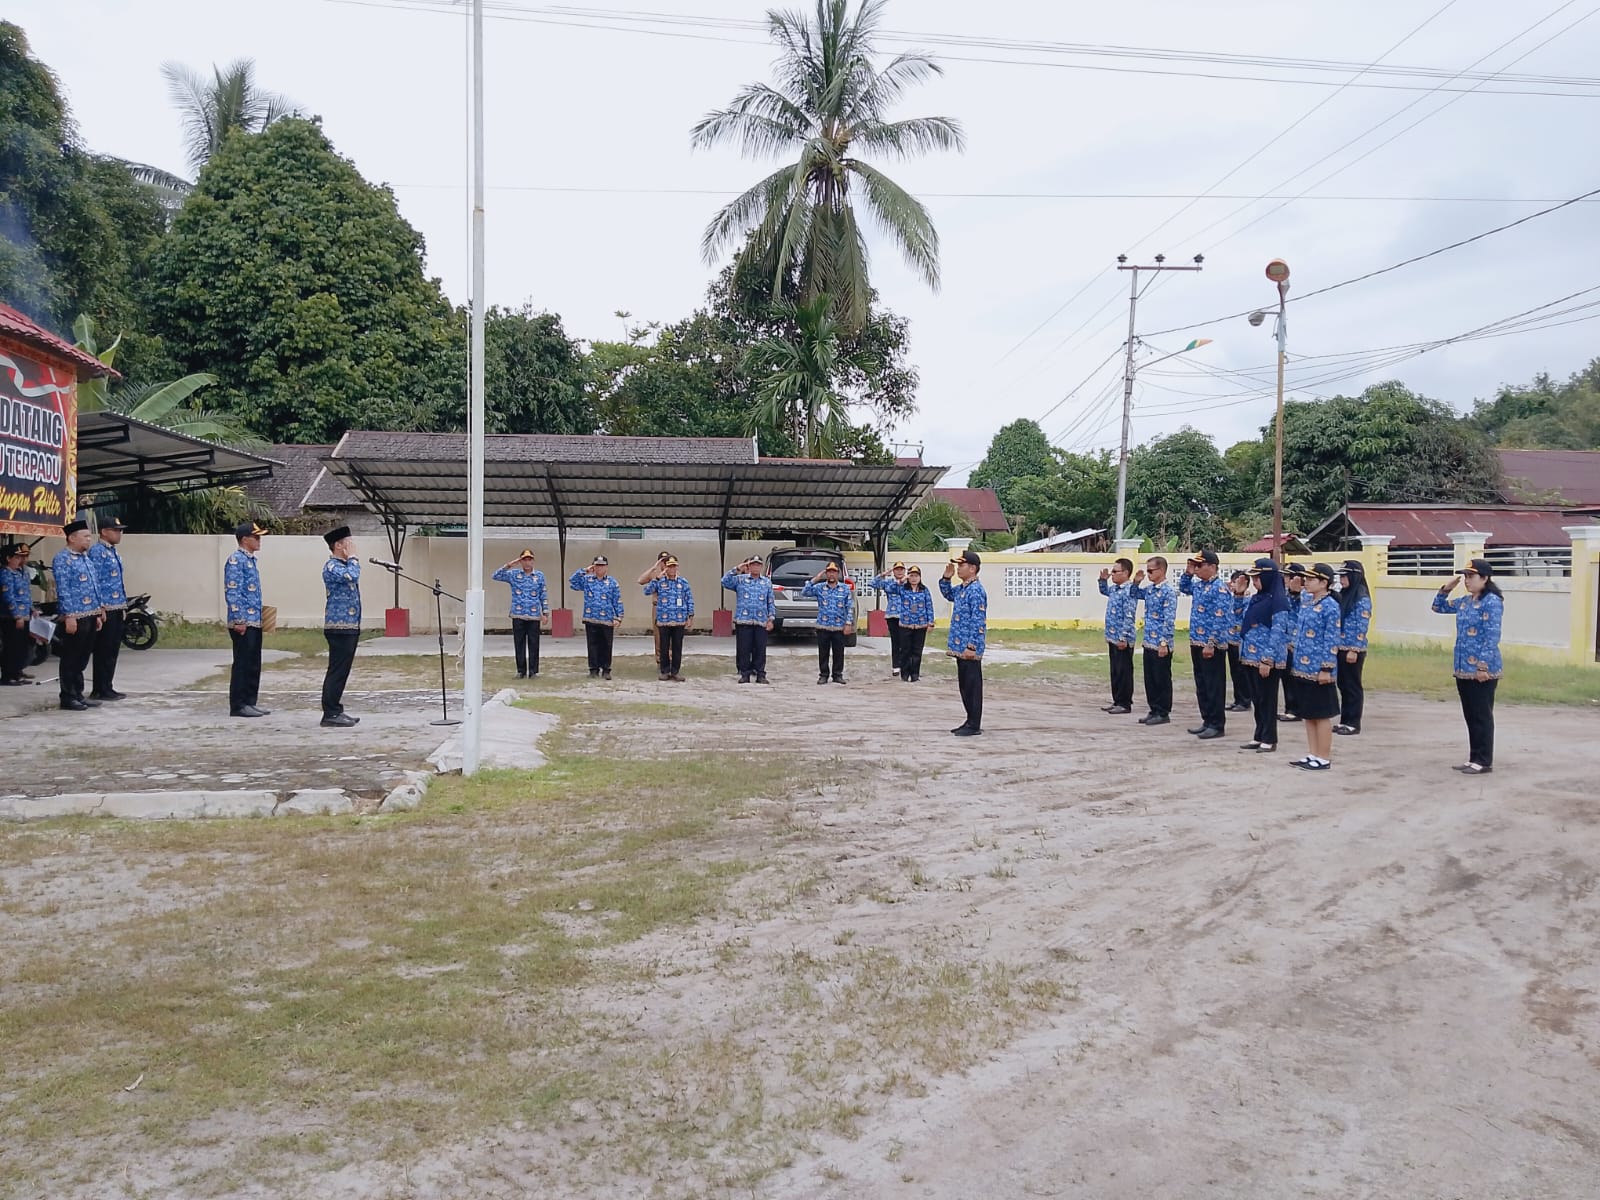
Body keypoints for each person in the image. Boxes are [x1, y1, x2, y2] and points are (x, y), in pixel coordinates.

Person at [1433, 558, 1504, 775]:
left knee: (1482, 715)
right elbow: (1438, 607)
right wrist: (1445, 589)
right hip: (1463, 668)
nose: (1467, 581)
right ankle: (1474, 757)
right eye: (1465, 576)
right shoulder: (1465, 601)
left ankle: (1483, 760)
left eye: (1471, 576)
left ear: (1485, 578)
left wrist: (1482, 666)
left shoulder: (1491, 602)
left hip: (1481, 670)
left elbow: (1492, 636)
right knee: (1470, 714)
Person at [1287, 563, 1342, 771]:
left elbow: (1331, 639)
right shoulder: (1308, 601)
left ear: (1324, 582)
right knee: (1309, 714)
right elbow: (1292, 602)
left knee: (1321, 714)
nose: (1306, 582)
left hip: (1319, 668)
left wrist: (1326, 668)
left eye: (1311, 579)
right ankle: (1313, 753)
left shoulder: (1330, 606)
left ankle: (1324, 757)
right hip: (1303, 666)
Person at [1238, 558, 1291, 754]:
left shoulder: (1279, 602)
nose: (1254, 581)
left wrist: (1267, 659)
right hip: (1250, 657)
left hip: (1267, 660)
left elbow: (1278, 632)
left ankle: (1269, 738)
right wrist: (1239, 593)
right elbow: (1238, 617)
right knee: (1257, 699)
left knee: (1267, 700)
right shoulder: (1256, 598)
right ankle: (1259, 735)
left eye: (1257, 577)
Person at [1178, 549, 1230, 739]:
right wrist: (1188, 572)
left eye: (1200, 565)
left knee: (1213, 684)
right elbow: (1184, 588)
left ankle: (1217, 724)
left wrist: (1211, 642)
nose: (1197, 569)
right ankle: (1207, 720)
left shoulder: (1220, 588)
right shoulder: (1200, 586)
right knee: (1202, 683)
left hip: (1212, 644)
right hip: (1197, 641)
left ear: (1213, 567)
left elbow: (1221, 618)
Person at [53, 520, 103, 711]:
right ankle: (67, 696)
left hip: (90, 614)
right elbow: (63, 589)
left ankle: (78, 693)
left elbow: (94, 587)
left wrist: (98, 613)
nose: (89, 540)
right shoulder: (63, 559)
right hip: (75, 615)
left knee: (82, 658)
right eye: (85, 537)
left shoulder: (85, 558)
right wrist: (69, 616)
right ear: (72, 538)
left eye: (89, 537)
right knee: (70, 657)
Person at [224, 522, 270, 717]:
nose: (259, 541)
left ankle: (250, 701)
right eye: (256, 537)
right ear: (245, 539)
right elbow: (233, 591)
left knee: (253, 662)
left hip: (255, 619)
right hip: (243, 620)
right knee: (242, 662)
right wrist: (239, 619)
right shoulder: (236, 560)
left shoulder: (250, 560)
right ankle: (238, 704)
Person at [318, 526, 362, 728]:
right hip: (339, 627)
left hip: (349, 625)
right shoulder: (332, 567)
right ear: (338, 545)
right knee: (336, 670)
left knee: (342, 671)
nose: (352, 547)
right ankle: (330, 712)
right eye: (348, 543)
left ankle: (336, 709)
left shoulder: (342, 566)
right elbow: (352, 575)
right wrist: (353, 557)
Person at [941, 549, 987, 736]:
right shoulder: (963, 588)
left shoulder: (976, 591)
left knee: (972, 686)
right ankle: (969, 720)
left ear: (973, 568)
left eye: (962, 565)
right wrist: (946, 578)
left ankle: (974, 724)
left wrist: (972, 646)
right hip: (960, 646)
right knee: (965, 685)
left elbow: (978, 621)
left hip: (968, 647)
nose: (958, 568)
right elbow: (948, 594)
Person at [88, 516, 129, 701]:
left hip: (117, 606)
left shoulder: (112, 552)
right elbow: (94, 581)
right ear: (104, 531)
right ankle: (100, 688)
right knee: (103, 650)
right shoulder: (97, 552)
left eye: (120, 530)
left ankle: (107, 686)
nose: (119, 534)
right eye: (116, 530)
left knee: (112, 649)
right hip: (106, 608)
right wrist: (100, 607)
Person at [1133, 556, 1177, 725]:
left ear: (1162, 570)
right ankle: (1154, 709)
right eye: (1147, 570)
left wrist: (1164, 642)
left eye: (1151, 571)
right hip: (1148, 641)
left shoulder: (1168, 592)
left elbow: (1169, 619)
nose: (1148, 574)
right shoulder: (1151, 590)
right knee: (1150, 678)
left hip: (1161, 642)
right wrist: (1136, 582)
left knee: (1161, 678)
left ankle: (1163, 712)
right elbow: (1134, 594)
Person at [493, 549, 549, 678]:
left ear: (533, 561)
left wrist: (545, 613)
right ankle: (521, 671)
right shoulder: (514, 574)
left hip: (534, 615)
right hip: (518, 614)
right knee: (519, 643)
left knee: (534, 643)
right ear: (521, 561)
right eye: (524, 560)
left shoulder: (539, 576)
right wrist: (509, 565)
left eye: (529, 559)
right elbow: (495, 575)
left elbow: (543, 595)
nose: (527, 562)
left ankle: (533, 671)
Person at [721, 556, 774, 684]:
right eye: (753, 564)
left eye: (758, 565)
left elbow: (770, 601)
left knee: (760, 649)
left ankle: (760, 674)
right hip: (744, 620)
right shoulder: (740, 580)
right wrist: (737, 569)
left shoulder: (766, 582)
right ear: (749, 566)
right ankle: (745, 674)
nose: (755, 567)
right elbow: (724, 581)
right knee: (744, 649)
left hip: (761, 620)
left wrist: (771, 619)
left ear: (761, 567)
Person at [1334, 560, 1372, 737]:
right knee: (1343, 684)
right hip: (1340, 646)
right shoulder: (1345, 595)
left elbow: (1362, 626)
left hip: (1352, 649)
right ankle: (1345, 719)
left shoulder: (1361, 598)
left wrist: (1354, 649)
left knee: (1352, 685)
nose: (1341, 579)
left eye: (1344, 576)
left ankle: (1353, 722)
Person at [802, 561, 855, 684]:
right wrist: (815, 579)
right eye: (829, 572)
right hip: (823, 625)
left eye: (834, 572)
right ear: (826, 573)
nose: (831, 574)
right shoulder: (820, 587)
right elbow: (804, 592)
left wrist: (848, 623)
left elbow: (849, 607)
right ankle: (823, 675)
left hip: (839, 626)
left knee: (838, 652)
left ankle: (837, 675)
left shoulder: (845, 589)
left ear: (838, 574)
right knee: (823, 652)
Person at [570, 556, 623, 679]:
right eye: (597, 565)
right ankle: (593, 669)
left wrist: (618, 617)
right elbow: (573, 582)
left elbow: (617, 600)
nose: (599, 568)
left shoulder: (612, 582)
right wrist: (584, 570)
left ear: (606, 567)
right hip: (591, 617)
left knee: (606, 645)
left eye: (602, 565)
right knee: (592, 644)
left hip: (607, 619)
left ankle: (606, 669)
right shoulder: (587, 580)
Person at [1097, 558, 1138, 714]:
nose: (1112, 574)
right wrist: (1102, 580)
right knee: (1115, 670)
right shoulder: (1114, 589)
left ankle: (1125, 703)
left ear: (1126, 573)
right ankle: (1117, 700)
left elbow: (1129, 616)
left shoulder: (1130, 591)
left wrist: (1123, 637)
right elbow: (1103, 591)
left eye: (1115, 571)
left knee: (1124, 671)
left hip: (1122, 638)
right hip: (1112, 636)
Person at [643, 555, 694, 681]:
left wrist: (690, 616)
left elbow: (689, 599)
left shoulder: (683, 582)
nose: (672, 569)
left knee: (677, 647)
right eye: (669, 566)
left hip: (679, 619)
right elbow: (646, 591)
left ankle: (675, 671)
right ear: (665, 568)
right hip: (664, 620)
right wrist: (656, 578)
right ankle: (664, 671)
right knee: (664, 646)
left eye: (674, 566)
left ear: (677, 567)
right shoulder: (660, 581)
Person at [1, 543, 34, 686]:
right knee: (11, 647)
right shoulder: (5, 573)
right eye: (18, 557)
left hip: (25, 614)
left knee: (22, 646)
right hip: (11, 617)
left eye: (24, 557)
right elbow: (8, 596)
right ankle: (8, 675)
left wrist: (32, 609)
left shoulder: (23, 572)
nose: (22, 560)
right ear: (8, 558)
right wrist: (17, 615)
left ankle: (18, 671)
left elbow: (26, 594)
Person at [893, 566, 934, 682]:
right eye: (911, 575)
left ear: (920, 577)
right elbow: (892, 588)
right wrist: (902, 580)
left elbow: (929, 606)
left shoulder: (924, 590)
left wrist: (930, 622)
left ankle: (915, 674)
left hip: (921, 624)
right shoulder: (903, 589)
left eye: (916, 576)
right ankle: (905, 674)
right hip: (905, 624)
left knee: (917, 650)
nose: (914, 578)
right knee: (905, 650)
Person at [1280, 563, 1308, 724]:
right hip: (1285, 642)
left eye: (1288, 576)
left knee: (1296, 678)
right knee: (1287, 678)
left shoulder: (1306, 595)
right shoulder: (1285, 593)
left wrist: (1295, 593)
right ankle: (1290, 708)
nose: (1285, 579)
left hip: (1298, 644)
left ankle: (1297, 709)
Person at [1225, 570, 1252, 713]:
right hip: (1230, 640)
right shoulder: (1231, 598)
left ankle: (1245, 700)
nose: (1232, 585)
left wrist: (1239, 595)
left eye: (1235, 582)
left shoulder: (1248, 600)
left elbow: (1240, 614)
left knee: (1242, 673)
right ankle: (1238, 699)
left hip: (1241, 641)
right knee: (1235, 672)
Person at [638, 550, 673, 662]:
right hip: (657, 606)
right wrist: (654, 568)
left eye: (667, 560)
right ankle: (659, 660)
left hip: (671, 608)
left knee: (672, 636)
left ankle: (671, 660)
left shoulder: (673, 573)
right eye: (663, 561)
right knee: (658, 636)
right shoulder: (655, 574)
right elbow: (640, 580)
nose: (665, 563)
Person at [877, 561, 909, 676]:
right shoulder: (889, 582)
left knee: (906, 643)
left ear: (905, 571)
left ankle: (906, 665)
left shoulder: (909, 582)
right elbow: (873, 583)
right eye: (897, 569)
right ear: (893, 571)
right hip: (892, 615)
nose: (899, 571)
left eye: (901, 569)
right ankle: (896, 666)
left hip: (906, 616)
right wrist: (883, 574)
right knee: (896, 642)